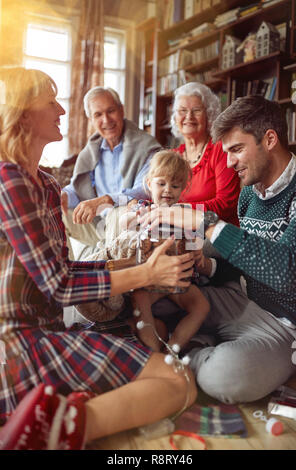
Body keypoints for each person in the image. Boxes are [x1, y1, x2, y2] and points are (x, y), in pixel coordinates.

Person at [0, 67, 197, 450]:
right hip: (18, 342)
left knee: (175, 378)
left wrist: (128, 266)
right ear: (24, 114)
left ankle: (53, 421)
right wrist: (142, 273)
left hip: (47, 330)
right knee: (180, 383)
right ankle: (57, 429)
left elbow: (64, 268)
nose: (61, 110)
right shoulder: (10, 180)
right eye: (50, 102)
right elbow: (58, 285)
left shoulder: (43, 182)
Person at [139, 95, 296, 404]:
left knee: (225, 376)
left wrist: (206, 222)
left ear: (269, 139)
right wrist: (207, 266)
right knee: (153, 300)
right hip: (241, 296)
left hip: (286, 324)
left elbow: (288, 273)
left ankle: (190, 353)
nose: (229, 162)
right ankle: (197, 345)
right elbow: (245, 260)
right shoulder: (250, 195)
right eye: (226, 152)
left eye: (236, 150)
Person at [77, 150, 210, 353]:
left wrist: (198, 251)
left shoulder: (186, 213)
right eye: (161, 184)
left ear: (183, 188)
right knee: (140, 300)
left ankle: (173, 349)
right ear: (149, 184)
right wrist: (135, 216)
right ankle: (153, 350)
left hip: (177, 280)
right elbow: (123, 223)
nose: (168, 190)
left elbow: (196, 239)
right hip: (149, 281)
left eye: (175, 186)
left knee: (201, 306)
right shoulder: (143, 209)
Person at [61, 86, 161, 250]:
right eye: (98, 115)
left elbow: (145, 189)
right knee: (58, 213)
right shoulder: (90, 152)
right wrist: (64, 195)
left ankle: (110, 263)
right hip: (100, 225)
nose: (106, 120)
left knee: (117, 212)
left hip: (132, 223)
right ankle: (68, 272)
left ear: (121, 111)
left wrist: (107, 200)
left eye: (111, 111)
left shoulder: (146, 146)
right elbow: (78, 189)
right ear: (91, 120)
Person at [170, 82, 241, 227]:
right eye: (182, 110)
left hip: (215, 232)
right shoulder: (172, 156)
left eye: (196, 110)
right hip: (180, 229)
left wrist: (178, 210)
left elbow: (226, 203)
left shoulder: (220, 149)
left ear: (209, 114)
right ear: (175, 117)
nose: (189, 116)